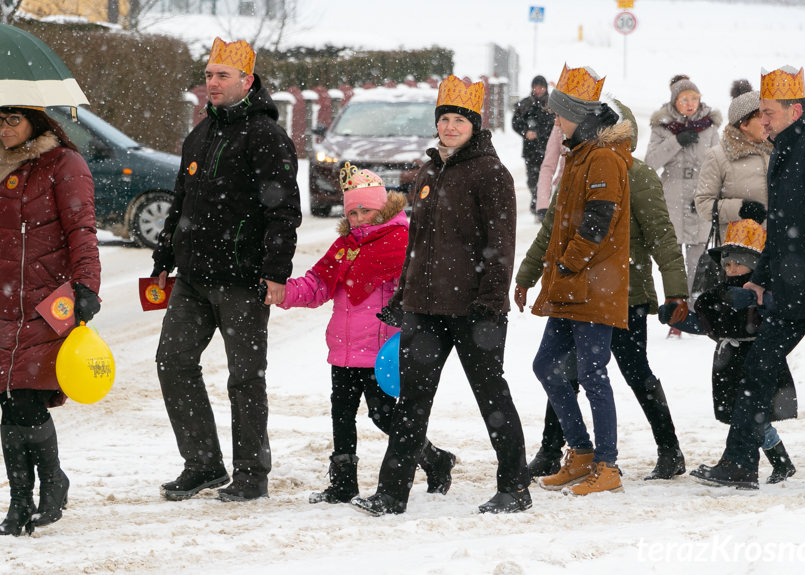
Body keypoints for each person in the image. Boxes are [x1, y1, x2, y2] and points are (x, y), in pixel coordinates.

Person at [350, 75, 531, 516]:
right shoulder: (429, 170)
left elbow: (501, 243)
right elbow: (418, 242)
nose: (450, 127)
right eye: (444, 119)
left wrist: (491, 298)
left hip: (475, 307)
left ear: (474, 124)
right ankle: (391, 494)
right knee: (412, 400)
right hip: (425, 308)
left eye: (458, 120)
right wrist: (404, 294)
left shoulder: (491, 173)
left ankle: (514, 487)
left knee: (492, 397)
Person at [691, 66, 805, 495]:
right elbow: (783, 227)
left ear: (795, 109)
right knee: (757, 365)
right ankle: (740, 463)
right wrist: (759, 278)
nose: (763, 119)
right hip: (794, 288)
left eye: (769, 112)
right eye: (762, 113)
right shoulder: (782, 148)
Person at [151, 37, 302, 503]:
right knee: (172, 362)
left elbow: (284, 211)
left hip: (243, 280)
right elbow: (181, 201)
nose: (211, 83)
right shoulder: (199, 134)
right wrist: (164, 257)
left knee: (245, 378)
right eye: (209, 74)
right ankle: (202, 464)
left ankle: (252, 473)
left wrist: (275, 273)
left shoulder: (266, 136)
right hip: (194, 279)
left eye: (222, 76)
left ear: (246, 81)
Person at [515, 99, 690, 482]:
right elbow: (552, 230)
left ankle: (668, 449)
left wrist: (676, 289)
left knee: (634, 373)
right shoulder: (578, 167)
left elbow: (662, 236)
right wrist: (528, 271)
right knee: (564, 369)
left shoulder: (637, 174)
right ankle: (555, 450)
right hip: (580, 287)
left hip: (626, 295)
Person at [277, 162, 455, 504]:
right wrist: (283, 292)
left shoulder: (399, 242)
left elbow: (417, 287)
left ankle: (434, 458)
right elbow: (317, 284)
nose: (358, 218)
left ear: (382, 208)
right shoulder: (345, 247)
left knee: (384, 415)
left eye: (366, 211)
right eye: (353, 212)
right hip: (343, 349)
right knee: (341, 416)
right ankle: (343, 484)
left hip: (379, 348)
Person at [529, 64, 632, 496]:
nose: (555, 122)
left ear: (581, 116)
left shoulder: (603, 157)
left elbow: (598, 220)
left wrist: (569, 263)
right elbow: (559, 221)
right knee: (546, 366)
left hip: (594, 284)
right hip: (572, 284)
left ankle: (607, 466)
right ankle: (583, 453)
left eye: (560, 115)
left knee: (592, 373)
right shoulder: (578, 155)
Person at [0, 107, 101, 536]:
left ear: (36, 122)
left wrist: (87, 285)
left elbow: (82, 227)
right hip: (4, 302)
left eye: (12, 120)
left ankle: (52, 482)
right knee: (6, 399)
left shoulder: (64, 163)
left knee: (26, 397)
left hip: (47, 301)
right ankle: (20, 501)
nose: (3, 128)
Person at [660, 218, 797, 485]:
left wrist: (758, 304)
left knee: (749, 415)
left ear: (755, 264)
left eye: (738, 263)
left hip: (756, 359)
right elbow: (705, 324)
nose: (731, 269)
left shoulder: (765, 291)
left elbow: (778, 318)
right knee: (745, 416)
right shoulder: (718, 294)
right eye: (727, 264)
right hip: (729, 362)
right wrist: (676, 318)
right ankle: (781, 463)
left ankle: (754, 463)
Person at [645, 75, 721, 311]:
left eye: (694, 98)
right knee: (673, 258)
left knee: (698, 257)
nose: (690, 103)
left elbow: (718, 163)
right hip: (672, 196)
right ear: (674, 101)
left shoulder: (709, 126)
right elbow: (650, 162)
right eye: (684, 99)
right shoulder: (662, 126)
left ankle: (695, 307)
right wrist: (676, 141)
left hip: (700, 194)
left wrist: (712, 196)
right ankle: (676, 306)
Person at [694, 79, 771, 239]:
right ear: (744, 124)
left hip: (777, 250)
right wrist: (740, 209)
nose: (767, 122)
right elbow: (703, 204)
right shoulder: (718, 156)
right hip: (739, 251)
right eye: (761, 117)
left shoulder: (779, 152)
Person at [512, 75, 556, 215]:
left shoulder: (552, 105)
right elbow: (515, 122)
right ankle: (536, 203)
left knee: (546, 177)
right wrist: (526, 132)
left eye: (540, 87)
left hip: (548, 149)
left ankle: (543, 208)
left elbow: (555, 125)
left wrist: (540, 133)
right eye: (535, 87)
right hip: (530, 150)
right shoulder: (525, 104)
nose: (538, 90)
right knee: (532, 180)